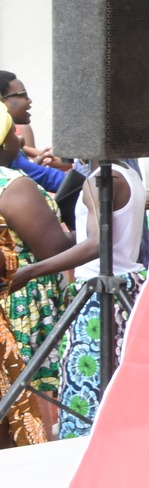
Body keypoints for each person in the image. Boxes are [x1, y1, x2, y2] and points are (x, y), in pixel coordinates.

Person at [0, 108, 97, 445]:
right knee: (24, 399)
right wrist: (92, 225)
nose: (20, 139)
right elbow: (53, 249)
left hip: (8, 300)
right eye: (12, 134)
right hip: (24, 300)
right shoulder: (13, 186)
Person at [54, 157, 145, 438]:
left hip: (98, 300)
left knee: (86, 396)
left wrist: (30, 271)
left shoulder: (99, 180)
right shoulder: (128, 173)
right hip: (127, 291)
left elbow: (96, 243)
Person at [0, 73, 69, 196]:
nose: (29, 100)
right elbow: (54, 179)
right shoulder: (6, 149)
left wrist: (33, 166)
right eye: (23, 95)